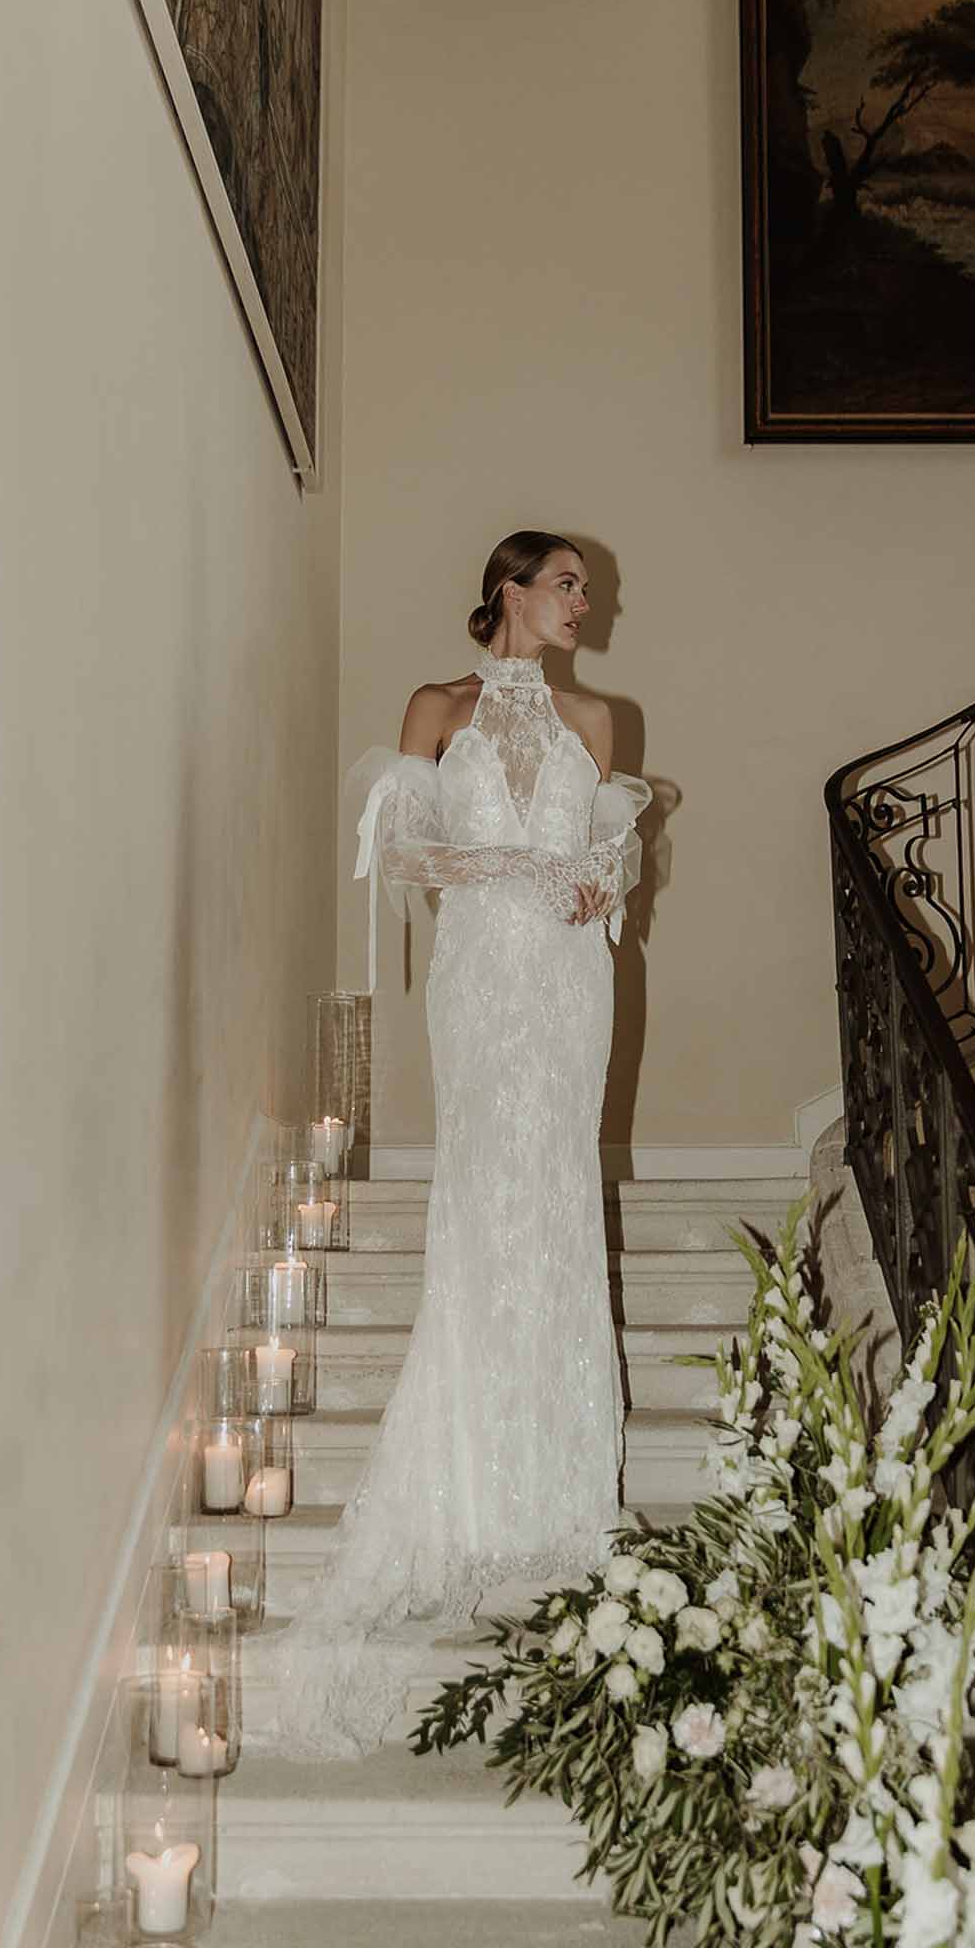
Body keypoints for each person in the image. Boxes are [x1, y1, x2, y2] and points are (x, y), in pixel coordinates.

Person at [269, 531, 651, 1758]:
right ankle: (470, 1472)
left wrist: (597, 879)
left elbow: (610, 859)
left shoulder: (600, 717)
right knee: (485, 1191)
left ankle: (556, 1485)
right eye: (563, 585)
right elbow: (403, 850)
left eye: (584, 590)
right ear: (507, 591)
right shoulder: (438, 704)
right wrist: (497, 860)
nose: (582, 604)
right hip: (482, 973)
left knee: (552, 1193)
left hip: (565, 983)